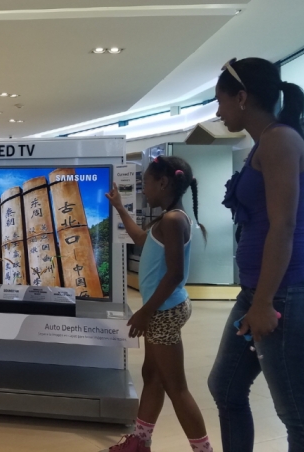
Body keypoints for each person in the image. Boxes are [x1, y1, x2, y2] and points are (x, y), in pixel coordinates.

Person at [209, 57, 304, 452]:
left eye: (221, 101)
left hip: (286, 294)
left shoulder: (279, 140)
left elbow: (284, 226)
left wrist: (262, 303)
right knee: (225, 387)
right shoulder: (266, 142)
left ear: (242, 97)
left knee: (298, 414)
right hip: (261, 292)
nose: (218, 111)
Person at [103, 156, 213, 452]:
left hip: (163, 312)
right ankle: (140, 441)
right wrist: (120, 208)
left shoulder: (173, 220)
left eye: (146, 183)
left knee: (176, 388)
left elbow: (175, 273)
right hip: (162, 309)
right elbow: (141, 239)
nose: (144, 190)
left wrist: (145, 312)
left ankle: (203, 449)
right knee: (151, 376)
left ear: (163, 183)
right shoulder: (168, 219)